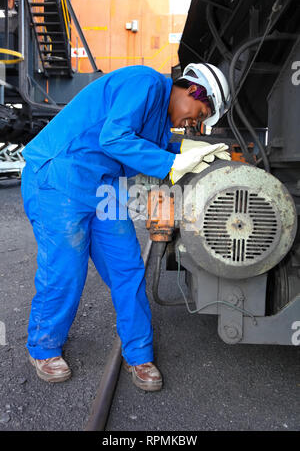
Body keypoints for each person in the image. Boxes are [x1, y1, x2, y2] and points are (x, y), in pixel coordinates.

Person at [21, 63, 231, 390]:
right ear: (194, 90)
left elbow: (158, 145)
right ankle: (44, 347)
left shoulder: (160, 118)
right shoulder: (144, 82)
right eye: (201, 114)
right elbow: (115, 138)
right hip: (59, 174)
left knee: (128, 268)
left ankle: (139, 352)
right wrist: (173, 163)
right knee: (66, 267)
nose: (195, 123)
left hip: (104, 185)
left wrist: (198, 152)